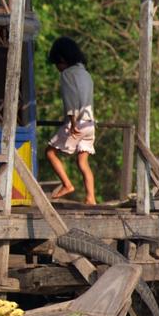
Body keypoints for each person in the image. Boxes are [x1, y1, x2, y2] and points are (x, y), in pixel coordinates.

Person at [45, 36, 96, 205]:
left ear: (62, 59)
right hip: (90, 123)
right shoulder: (85, 73)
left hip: (77, 123)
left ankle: (67, 184)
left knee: (50, 152)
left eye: (56, 64)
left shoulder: (67, 74)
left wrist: (72, 122)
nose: (57, 69)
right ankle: (91, 197)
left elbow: (70, 99)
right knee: (82, 162)